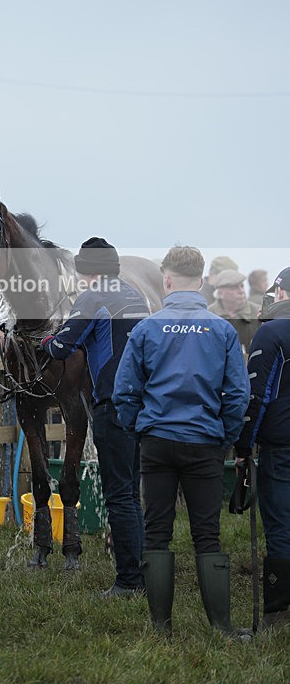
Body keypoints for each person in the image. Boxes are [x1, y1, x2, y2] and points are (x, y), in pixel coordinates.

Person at [113, 245, 250, 637]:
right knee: (207, 533)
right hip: (204, 440)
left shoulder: (146, 329)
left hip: (156, 440)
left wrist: (138, 429)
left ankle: (162, 629)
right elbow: (237, 395)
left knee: (157, 531)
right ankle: (222, 628)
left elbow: (124, 392)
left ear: (167, 280)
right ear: (202, 281)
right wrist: (224, 434)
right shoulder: (222, 330)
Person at [41, 237, 150, 596]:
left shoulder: (92, 296)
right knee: (131, 493)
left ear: (85, 270)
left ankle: (128, 581)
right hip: (141, 405)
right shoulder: (136, 295)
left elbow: (61, 347)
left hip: (112, 404)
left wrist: (46, 341)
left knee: (117, 495)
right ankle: (143, 572)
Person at [234, 266, 290, 628]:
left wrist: (242, 446)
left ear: (283, 293)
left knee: (282, 526)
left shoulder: (272, 333)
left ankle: (279, 614)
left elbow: (257, 397)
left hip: (282, 450)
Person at [208, 269, 260, 355]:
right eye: (234, 288)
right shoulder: (208, 316)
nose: (241, 291)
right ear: (220, 294)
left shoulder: (258, 313)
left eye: (242, 286)